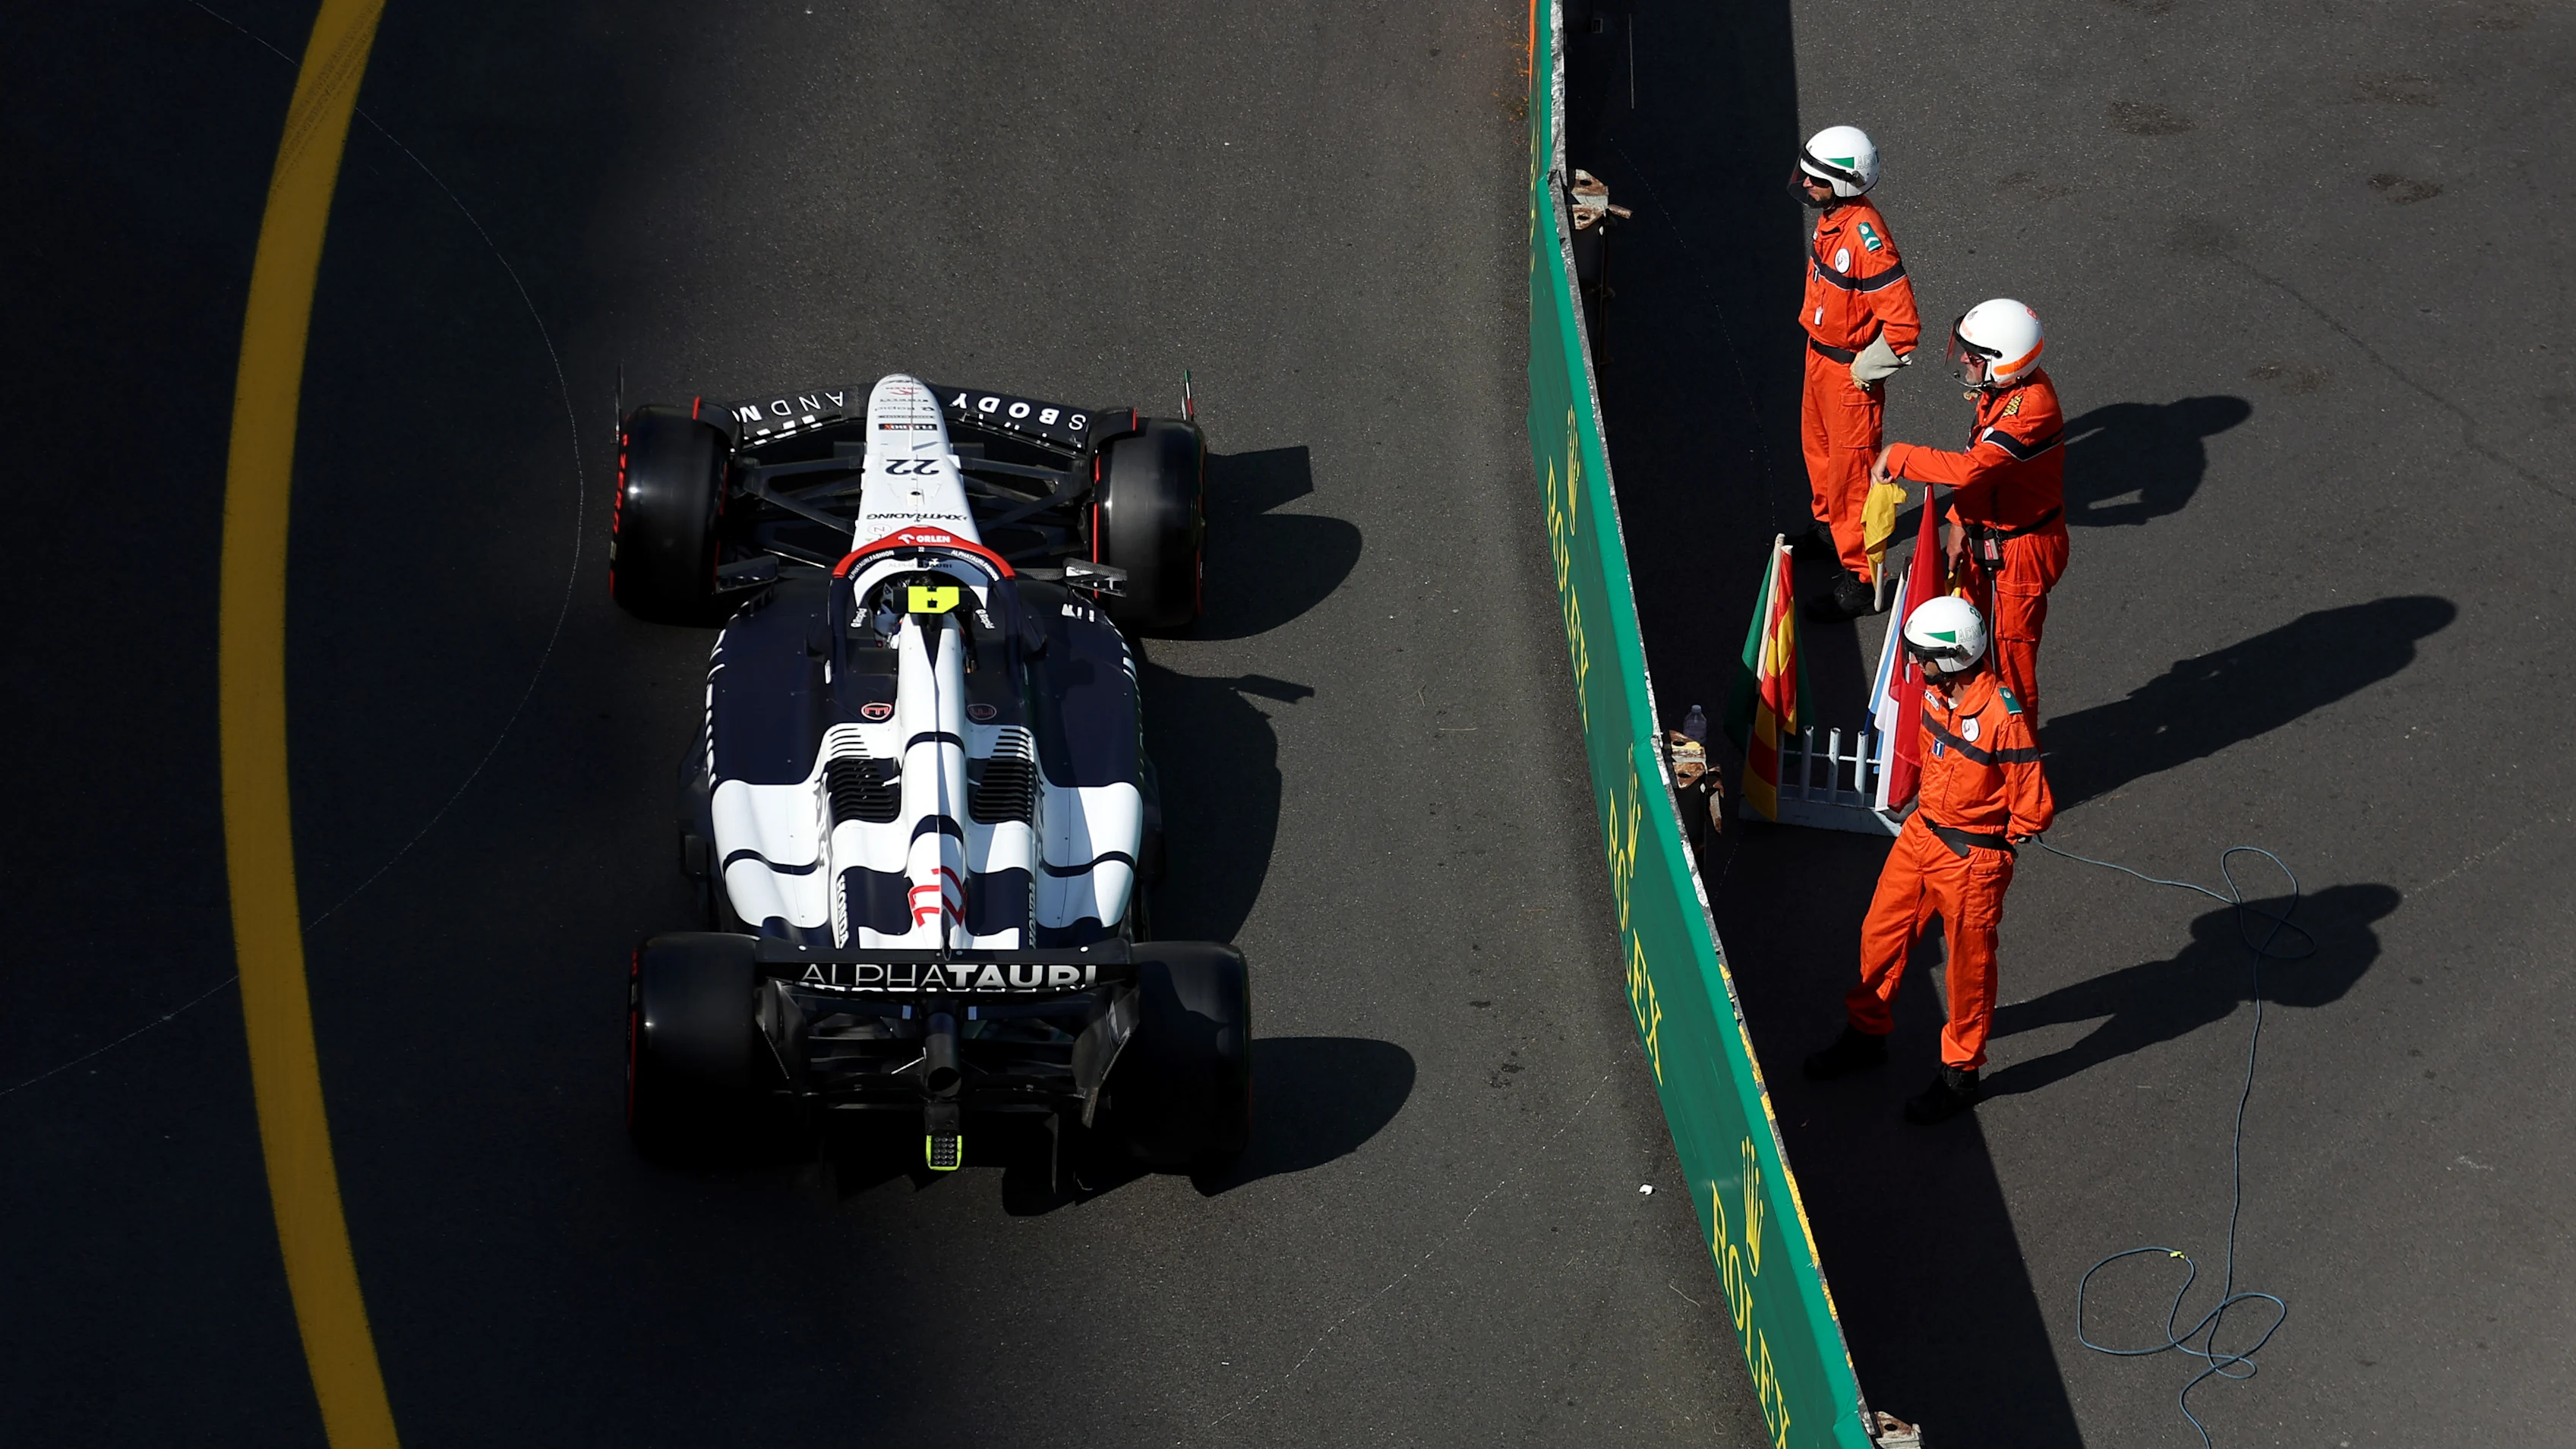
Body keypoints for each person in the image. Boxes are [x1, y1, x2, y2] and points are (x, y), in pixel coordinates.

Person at [1803, 595, 2054, 1124]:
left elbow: (2033, 806)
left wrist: (1998, 842)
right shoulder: (1939, 694)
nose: (1915, 666)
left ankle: (1960, 1075)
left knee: (1969, 971)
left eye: (1922, 657)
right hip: (1921, 835)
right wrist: (1911, 791)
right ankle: (1867, 1033)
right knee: (1880, 933)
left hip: (1970, 859)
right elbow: (1929, 751)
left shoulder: (2002, 718)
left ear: (1954, 658)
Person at [1874, 298, 2069, 722]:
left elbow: (1968, 470)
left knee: (2012, 667)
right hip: (1993, 540)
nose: (1964, 359)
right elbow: (1983, 472)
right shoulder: (2001, 391)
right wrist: (1961, 523)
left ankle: (2017, 760)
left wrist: (1899, 455)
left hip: (2021, 555)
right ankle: (1982, 740)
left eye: (1974, 356)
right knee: (1975, 648)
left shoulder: (2029, 410)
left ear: (2004, 363)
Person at [1792, 125, 1921, 622]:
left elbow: (1904, 325)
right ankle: (1828, 532)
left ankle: (1863, 582)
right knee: (1820, 456)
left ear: (1844, 184)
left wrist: (1865, 370)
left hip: (1849, 374)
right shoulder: (1834, 217)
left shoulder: (1867, 240)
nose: (1805, 184)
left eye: (1815, 179)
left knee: (1853, 484)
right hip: (1819, 358)